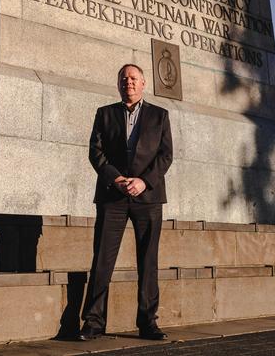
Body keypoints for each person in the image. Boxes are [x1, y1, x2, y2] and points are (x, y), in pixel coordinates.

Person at [78, 64, 173, 341]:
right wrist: (117, 179)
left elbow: (165, 156)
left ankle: (148, 322)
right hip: (113, 197)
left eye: (133, 78)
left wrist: (144, 181)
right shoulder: (104, 114)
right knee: (102, 261)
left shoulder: (160, 115)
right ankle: (93, 322)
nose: (128, 82)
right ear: (118, 84)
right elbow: (96, 152)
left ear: (143, 83)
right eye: (123, 78)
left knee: (148, 261)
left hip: (148, 197)